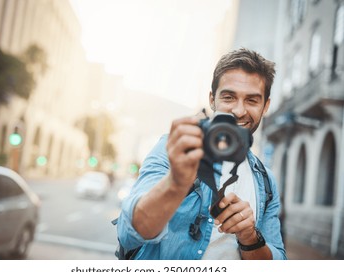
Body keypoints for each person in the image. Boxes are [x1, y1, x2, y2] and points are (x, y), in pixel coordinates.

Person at [117, 48, 286, 260]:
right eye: (229, 97)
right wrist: (176, 183)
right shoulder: (173, 148)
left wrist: (250, 237)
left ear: (265, 106)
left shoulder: (266, 181)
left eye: (252, 100)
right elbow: (129, 234)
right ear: (212, 99)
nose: (239, 111)